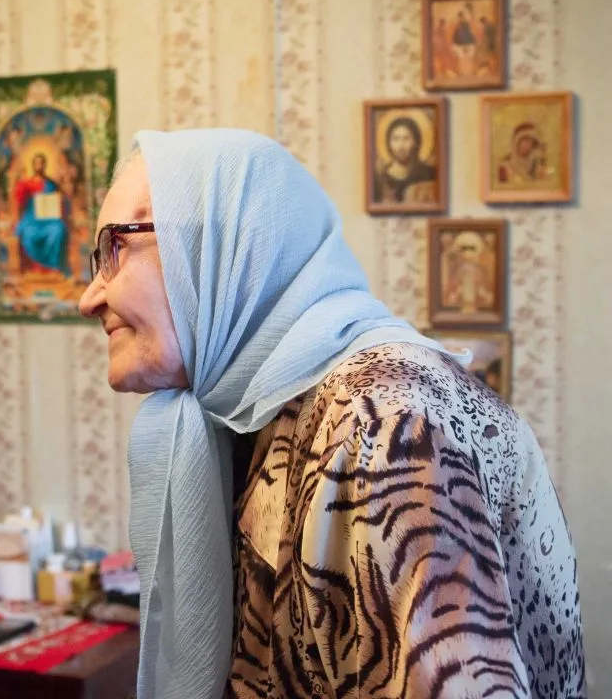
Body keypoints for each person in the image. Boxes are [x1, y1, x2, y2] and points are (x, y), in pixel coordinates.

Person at [78, 129, 585, 698]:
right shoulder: (268, 408)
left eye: (114, 248)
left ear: (223, 250)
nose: (89, 298)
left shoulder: (380, 423)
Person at [374, 116, 437, 205]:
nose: (401, 146)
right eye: (395, 139)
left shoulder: (430, 173)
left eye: (406, 138)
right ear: (389, 143)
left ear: (416, 142)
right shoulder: (380, 178)